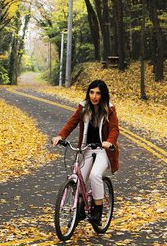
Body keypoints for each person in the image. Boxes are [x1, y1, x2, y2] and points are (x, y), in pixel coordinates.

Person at [51, 79, 119, 224]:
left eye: (98, 93)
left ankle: (98, 212)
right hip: (86, 149)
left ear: (103, 95)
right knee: (79, 177)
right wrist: (60, 136)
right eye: (92, 92)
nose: (94, 96)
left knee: (95, 175)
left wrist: (110, 142)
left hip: (103, 150)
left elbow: (114, 129)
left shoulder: (110, 109)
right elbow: (72, 122)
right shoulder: (83, 108)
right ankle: (79, 211)